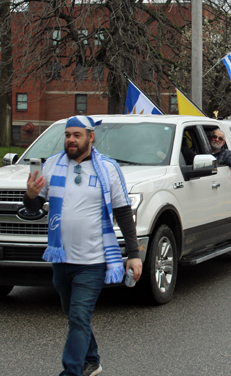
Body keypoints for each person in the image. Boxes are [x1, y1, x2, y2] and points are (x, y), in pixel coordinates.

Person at [23, 116, 143, 376]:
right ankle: (92, 359)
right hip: (61, 257)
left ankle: (72, 372)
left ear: (91, 137)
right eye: (67, 135)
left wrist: (134, 255)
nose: (70, 140)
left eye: (77, 135)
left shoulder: (108, 168)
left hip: (93, 260)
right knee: (74, 314)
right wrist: (31, 194)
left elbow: (123, 212)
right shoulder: (52, 165)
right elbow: (34, 208)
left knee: (78, 316)